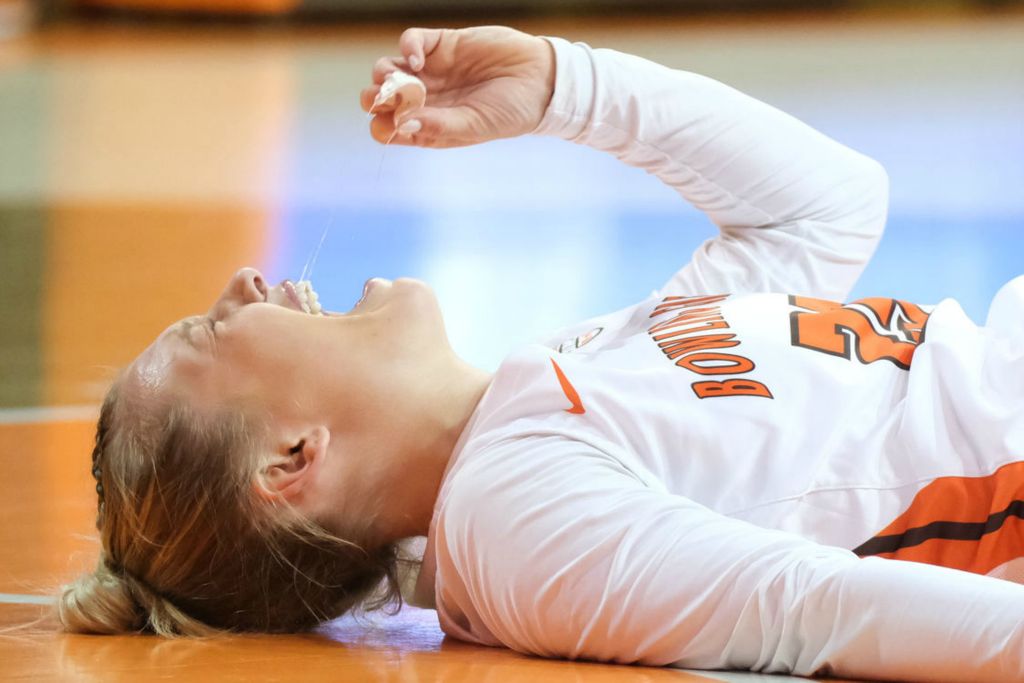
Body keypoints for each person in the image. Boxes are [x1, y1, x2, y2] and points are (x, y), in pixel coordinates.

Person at [58, 25, 1024, 681]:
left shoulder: (555, 385)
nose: (243, 280)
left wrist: (565, 87)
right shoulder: (518, 519)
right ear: (293, 459)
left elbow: (826, 206)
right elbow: (811, 606)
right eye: (213, 329)